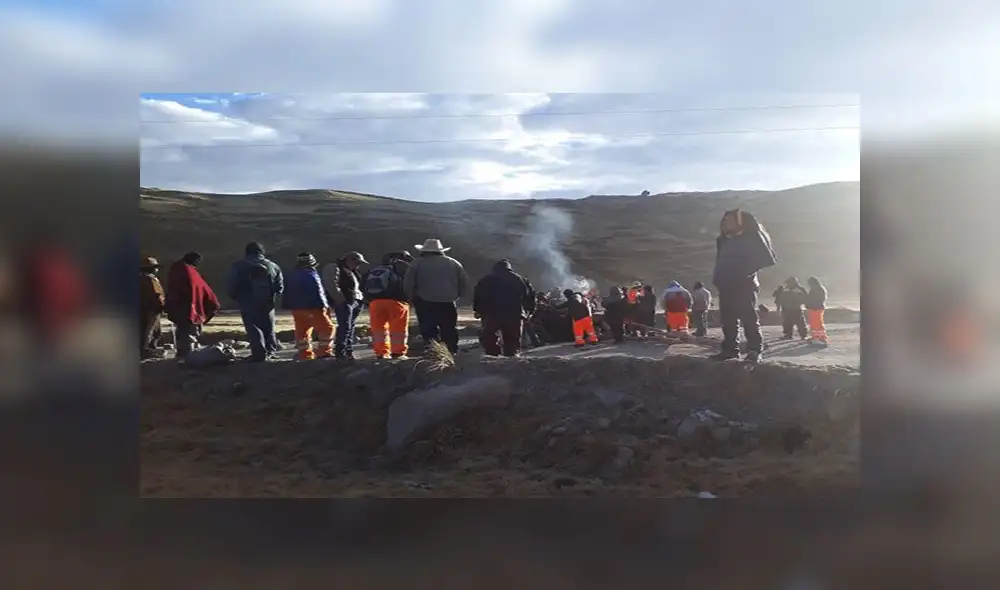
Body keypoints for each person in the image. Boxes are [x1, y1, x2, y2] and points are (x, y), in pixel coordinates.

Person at [711, 209, 777, 363]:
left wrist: (744, 272)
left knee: (748, 319)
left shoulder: (752, 237)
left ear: (739, 221)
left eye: (729, 220)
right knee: (728, 320)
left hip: (744, 284)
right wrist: (718, 278)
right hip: (725, 285)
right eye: (724, 220)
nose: (724, 222)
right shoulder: (723, 240)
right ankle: (730, 350)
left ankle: (754, 351)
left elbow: (767, 259)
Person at [403, 238, 468, 354]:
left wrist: (411, 297)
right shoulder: (453, 263)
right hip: (448, 301)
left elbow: (408, 282)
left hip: (424, 301)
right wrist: (458, 296)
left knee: (428, 329)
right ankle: (451, 350)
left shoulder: (417, 263)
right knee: (448, 328)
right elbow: (463, 282)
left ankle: (433, 351)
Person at [227, 242, 284, 362]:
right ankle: (270, 352)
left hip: (247, 301)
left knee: (254, 328)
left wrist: (236, 297)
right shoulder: (273, 266)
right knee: (268, 327)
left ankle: (259, 354)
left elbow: (232, 284)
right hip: (267, 302)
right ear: (262, 252)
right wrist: (272, 296)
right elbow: (280, 287)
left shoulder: (238, 266)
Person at [473, 259, 536, 357]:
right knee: (512, 340)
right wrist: (529, 311)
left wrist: (478, 310)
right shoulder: (520, 279)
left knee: (488, 336)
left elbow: (478, 296)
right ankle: (511, 357)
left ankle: (493, 354)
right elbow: (530, 296)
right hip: (515, 314)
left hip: (492, 314)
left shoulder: (486, 279)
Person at [165, 251, 220, 359]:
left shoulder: (177, 270)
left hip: (182, 307)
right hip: (190, 308)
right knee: (189, 333)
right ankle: (188, 357)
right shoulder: (188, 271)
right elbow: (202, 290)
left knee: (183, 331)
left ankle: (183, 355)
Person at [282, 252, 335, 360]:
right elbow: (317, 292)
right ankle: (324, 351)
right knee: (327, 328)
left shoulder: (291, 275)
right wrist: (324, 306)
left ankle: (305, 354)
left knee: (302, 330)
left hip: (297, 309)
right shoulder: (311, 274)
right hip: (313, 308)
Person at [363, 251, 413, 360]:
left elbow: (363, 285)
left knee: (378, 330)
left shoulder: (375, 269)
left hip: (375, 303)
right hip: (397, 302)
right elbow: (409, 283)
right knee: (398, 329)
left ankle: (381, 353)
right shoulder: (402, 267)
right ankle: (398, 353)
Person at [322, 251, 368, 361]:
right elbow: (331, 284)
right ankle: (340, 352)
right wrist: (340, 299)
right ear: (349, 260)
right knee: (345, 326)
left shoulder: (352, 271)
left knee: (350, 327)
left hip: (356, 301)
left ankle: (348, 351)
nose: (358, 265)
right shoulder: (336, 268)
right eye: (357, 262)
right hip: (346, 302)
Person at [140, 256, 166, 360]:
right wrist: (164, 305)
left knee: (143, 330)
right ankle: (147, 350)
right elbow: (157, 295)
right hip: (152, 310)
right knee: (151, 331)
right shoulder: (151, 280)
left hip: (140, 309)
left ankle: (144, 350)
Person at [805, 276, 829, 346]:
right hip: (813, 308)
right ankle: (815, 336)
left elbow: (820, 299)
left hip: (816, 308)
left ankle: (821, 338)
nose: (809, 284)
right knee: (813, 323)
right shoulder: (815, 289)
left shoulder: (819, 289)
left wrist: (813, 305)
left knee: (817, 323)